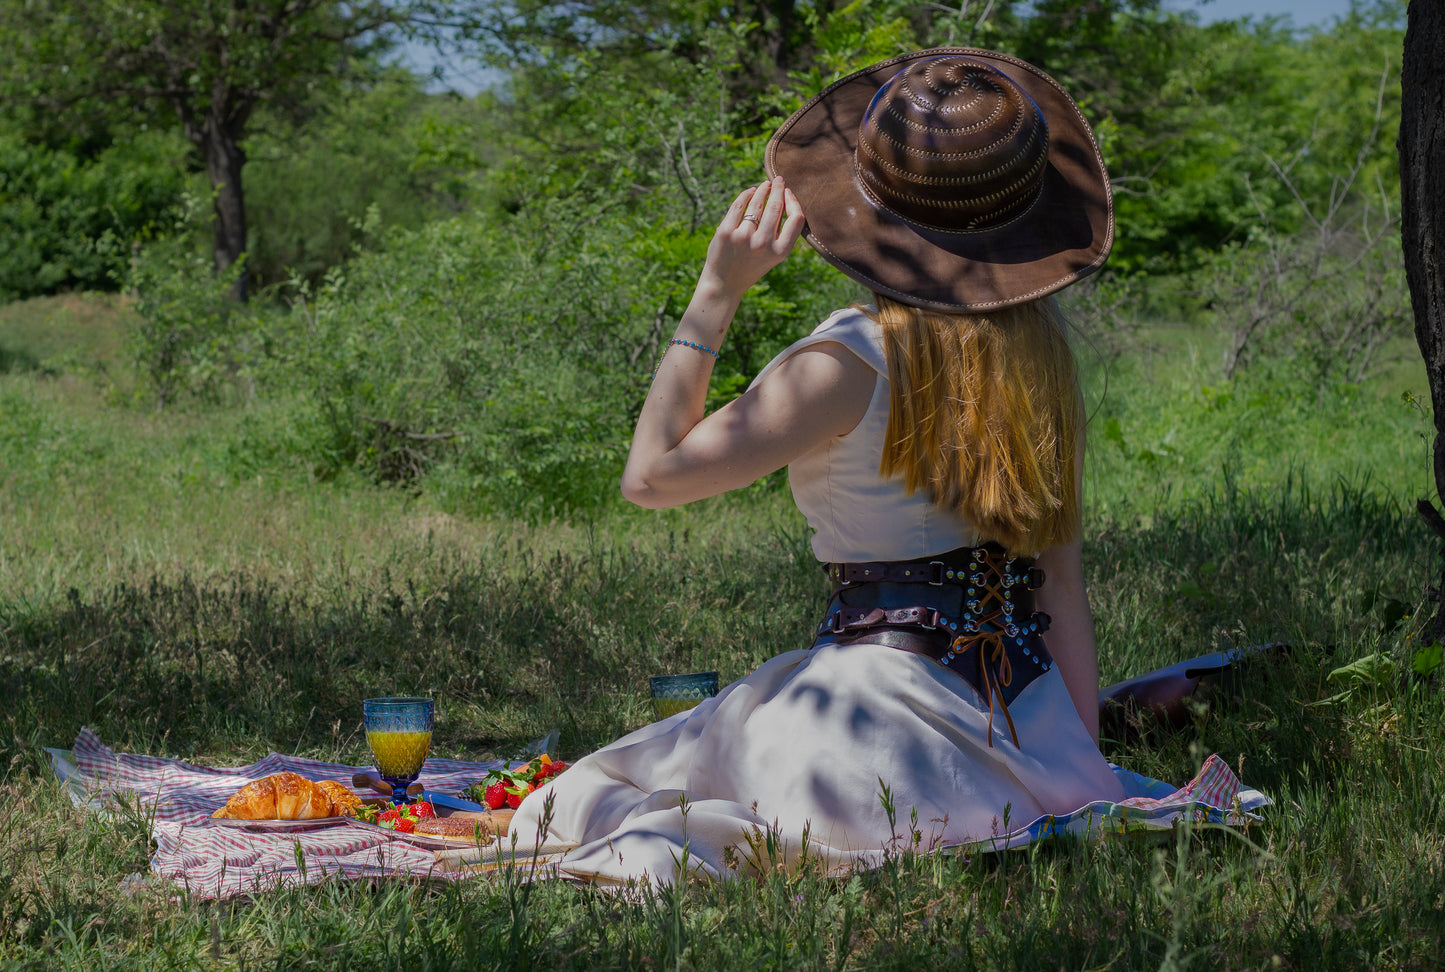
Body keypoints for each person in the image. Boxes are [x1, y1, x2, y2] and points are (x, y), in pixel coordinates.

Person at [504, 48, 1211, 885]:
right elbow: (1059, 584)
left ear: (869, 216)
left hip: (864, 733)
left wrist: (715, 293)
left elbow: (650, 479)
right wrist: (1079, 769)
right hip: (1026, 723)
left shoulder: (846, 360)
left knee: (566, 806)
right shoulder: (1044, 365)